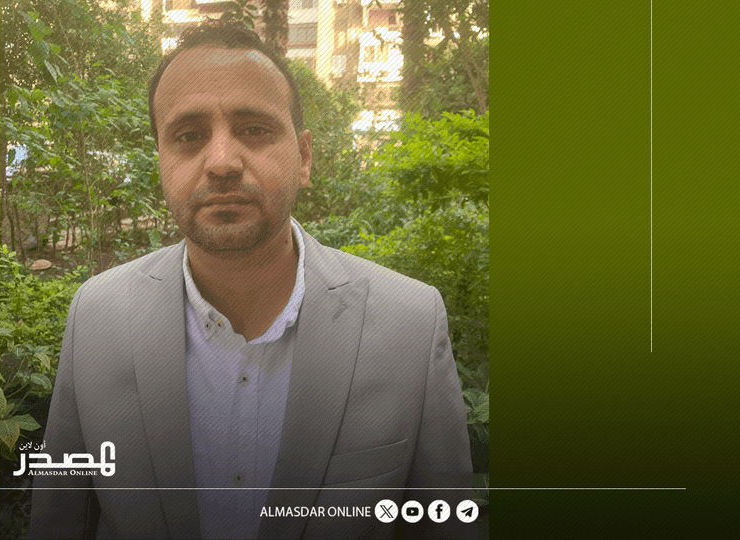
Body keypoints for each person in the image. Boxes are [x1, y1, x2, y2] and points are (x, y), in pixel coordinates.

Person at [27, 20, 473, 540]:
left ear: (304, 157)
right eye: (188, 136)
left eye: (255, 130)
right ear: (162, 161)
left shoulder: (411, 324)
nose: (221, 162)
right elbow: (60, 521)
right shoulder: (95, 318)